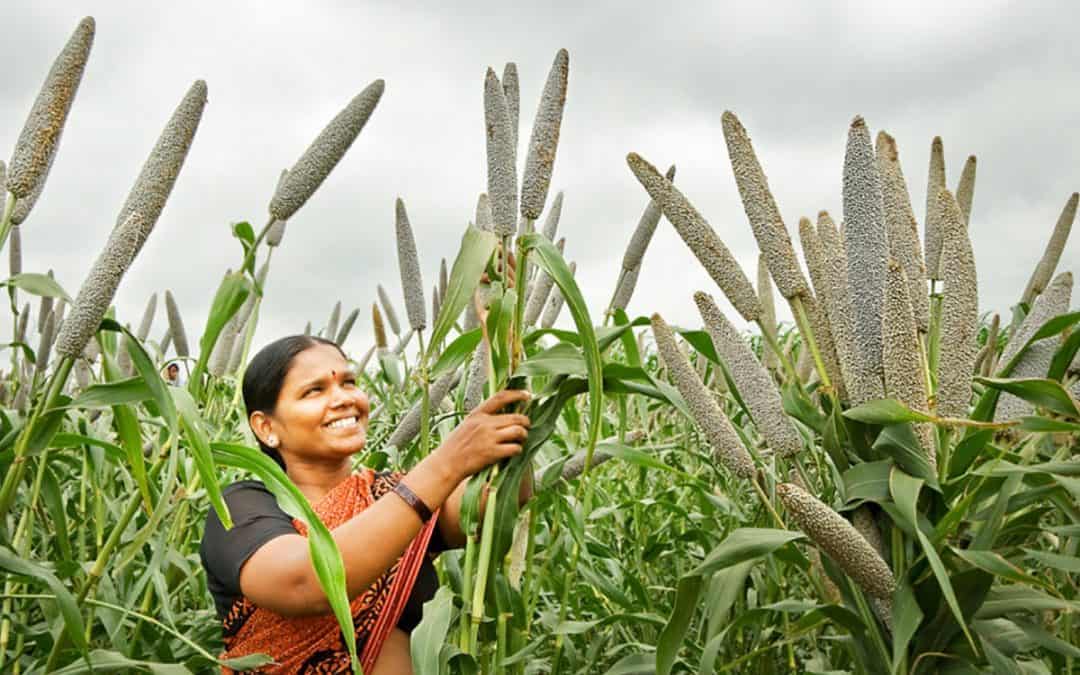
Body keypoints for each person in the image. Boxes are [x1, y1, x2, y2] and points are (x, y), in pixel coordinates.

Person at [199, 334, 531, 674]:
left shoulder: (394, 495)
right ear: (266, 427)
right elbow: (305, 583)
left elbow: (501, 497)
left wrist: (503, 342)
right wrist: (446, 463)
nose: (343, 398)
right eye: (314, 390)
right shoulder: (239, 508)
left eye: (349, 382)